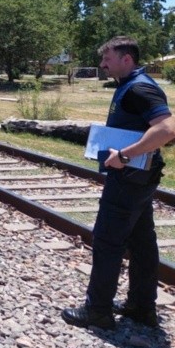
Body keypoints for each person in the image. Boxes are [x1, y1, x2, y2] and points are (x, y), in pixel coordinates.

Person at [62, 36, 175, 329]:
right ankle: (141, 307)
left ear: (127, 59)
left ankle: (98, 311)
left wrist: (124, 155)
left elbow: (166, 128)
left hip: (129, 177)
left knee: (107, 241)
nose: (102, 64)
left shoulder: (138, 87)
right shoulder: (133, 85)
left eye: (107, 59)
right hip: (139, 177)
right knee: (141, 242)